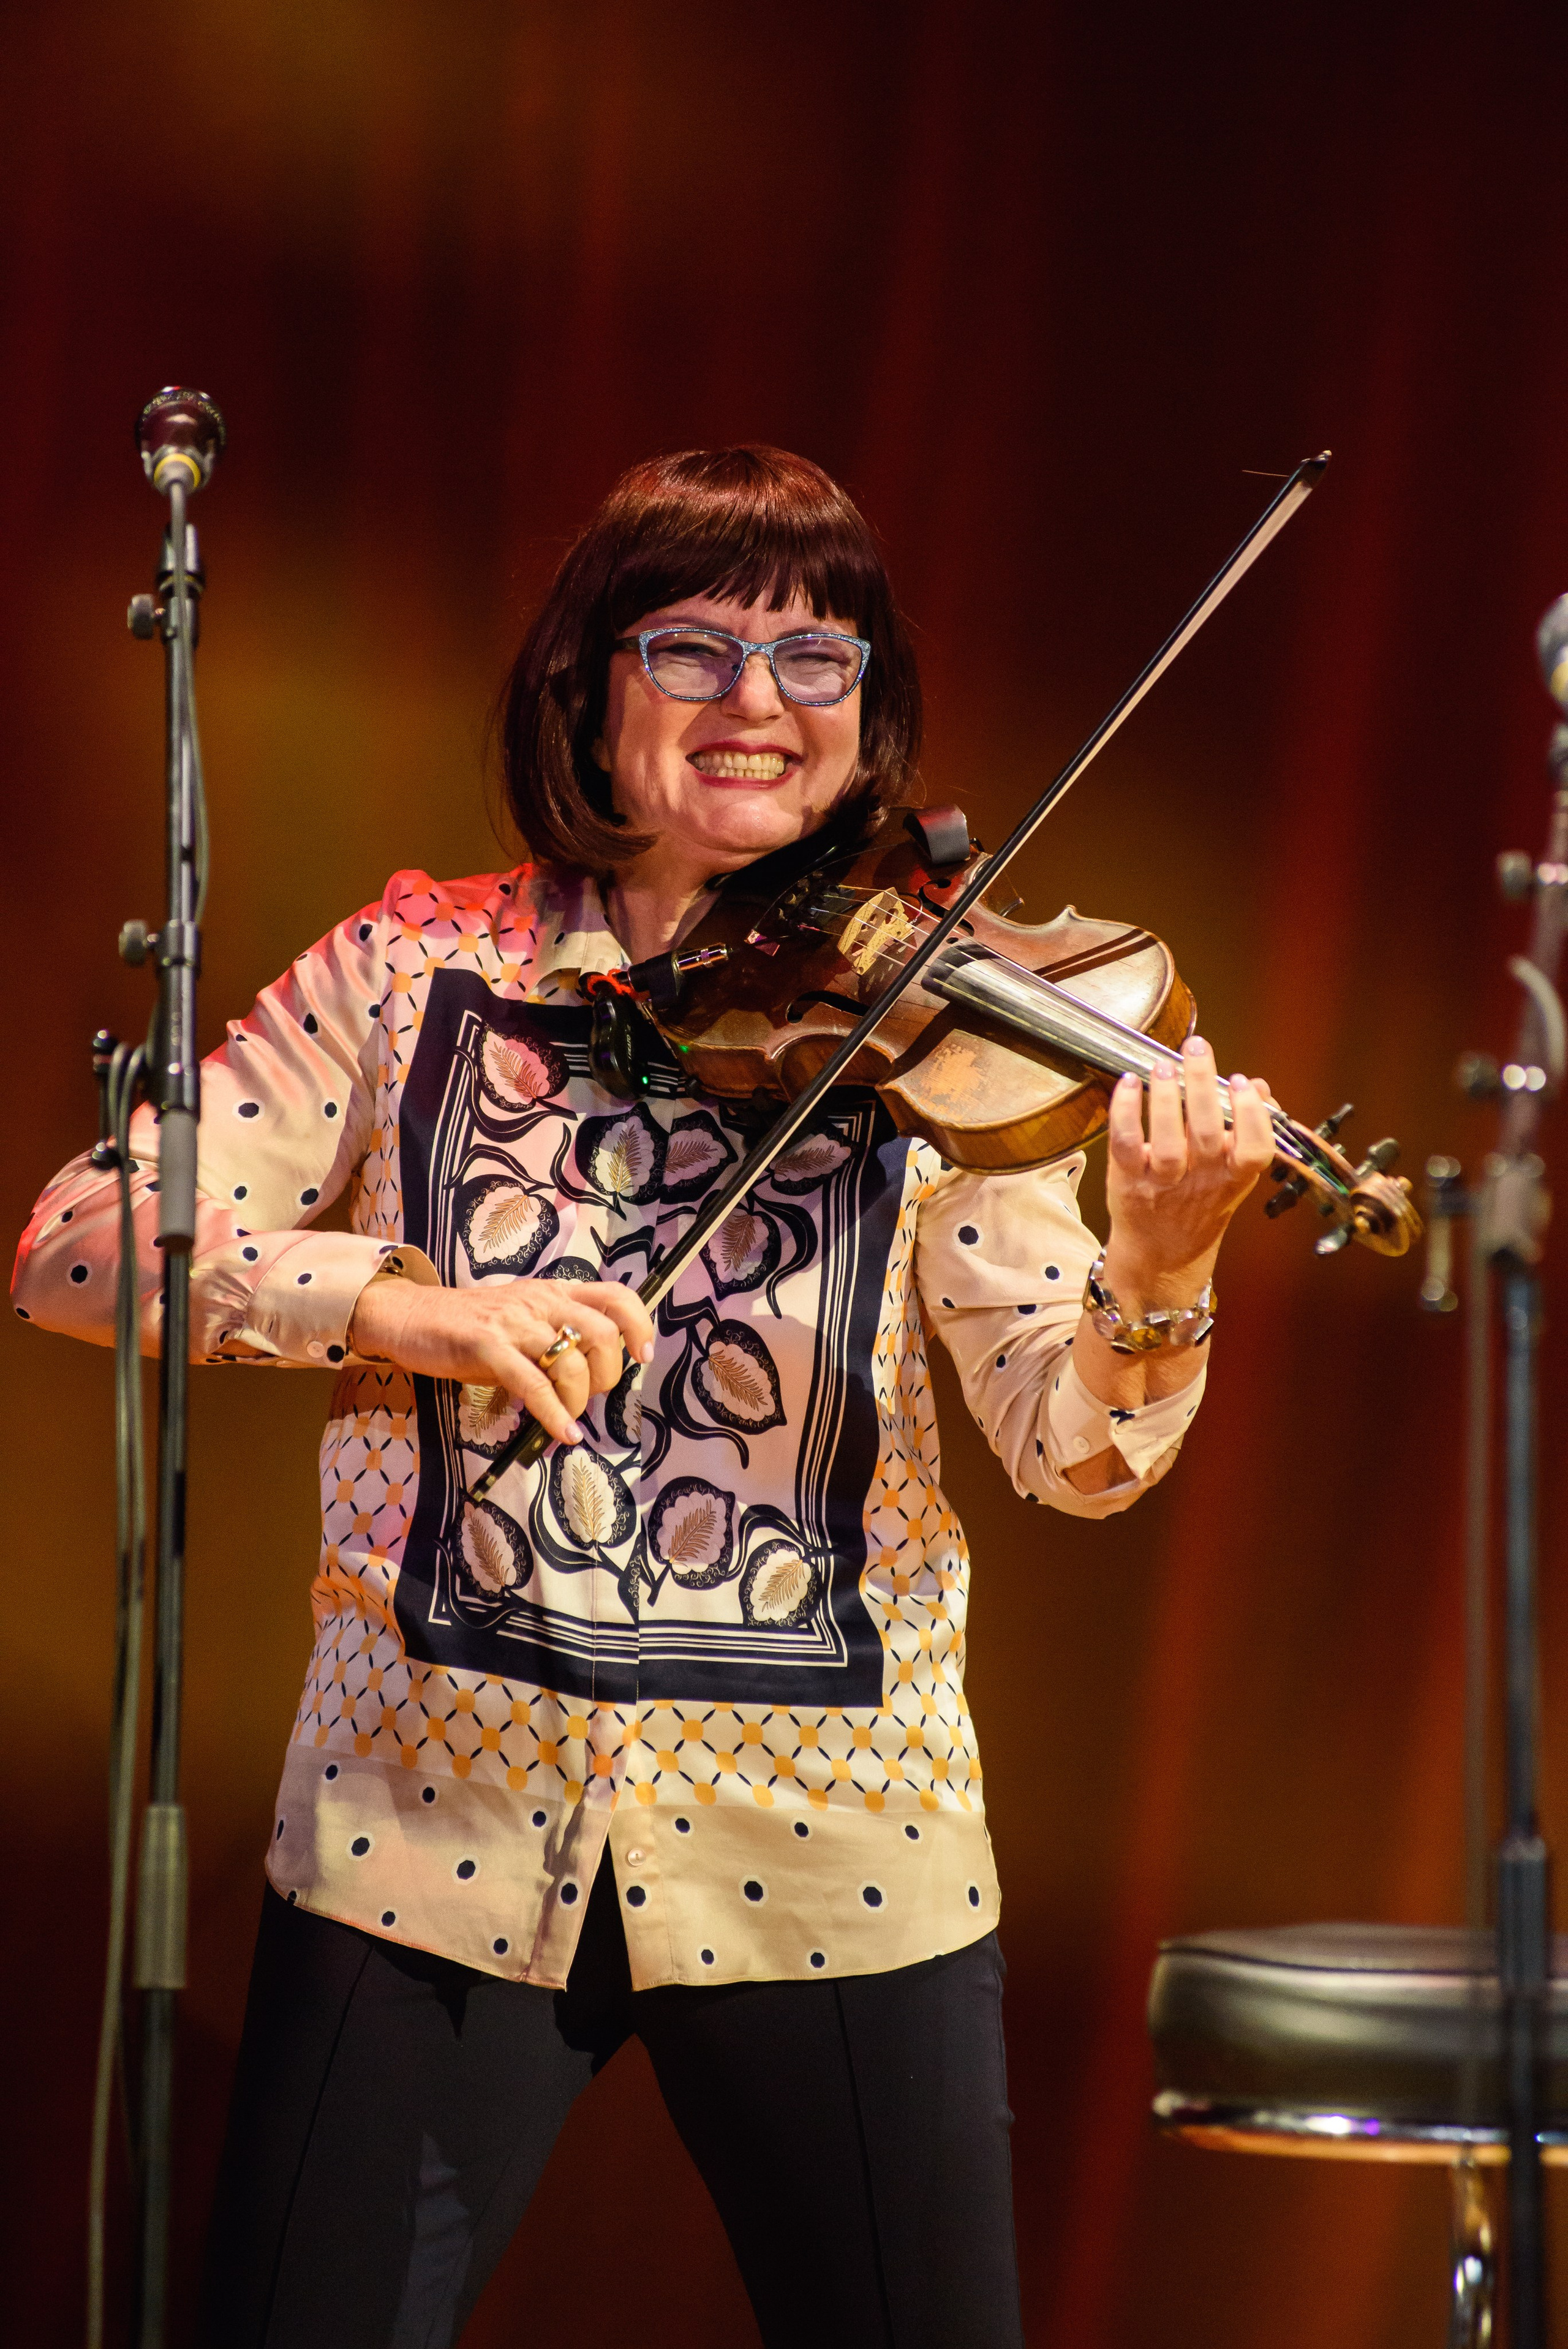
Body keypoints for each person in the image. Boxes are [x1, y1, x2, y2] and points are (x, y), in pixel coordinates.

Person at [12, 445, 1275, 2349]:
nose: (759, 703)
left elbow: (1070, 1445)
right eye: (692, 649)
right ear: (588, 691)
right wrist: (402, 1304)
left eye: (816, 658)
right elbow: (75, 1244)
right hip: (418, 1835)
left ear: (872, 712)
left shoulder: (937, 1032)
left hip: (844, 1849)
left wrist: (1163, 1264)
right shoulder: (413, 970)